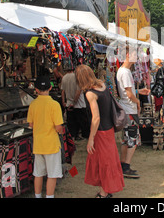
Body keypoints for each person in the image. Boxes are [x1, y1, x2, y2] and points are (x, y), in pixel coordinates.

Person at [75, 65, 125, 198]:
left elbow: (96, 118)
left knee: (103, 163)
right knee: (108, 161)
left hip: (101, 132)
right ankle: (106, 190)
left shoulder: (90, 94)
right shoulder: (102, 85)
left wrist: (91, 138)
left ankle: (103, 193)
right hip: (109, 129)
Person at [27, 75, 64, 198]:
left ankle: (37, 196)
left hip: (38, 144)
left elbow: (31, 124)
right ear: (50, 88)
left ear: (36, 89)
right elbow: (58, 127)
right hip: (52, 144)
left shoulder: (33, 104)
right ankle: (49, 196)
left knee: (38, 173)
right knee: (52, 174)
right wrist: (62, 132)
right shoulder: (54, 105)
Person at [116, 46, 150, 179]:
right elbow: (128, 94)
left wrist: (137, 92)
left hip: (126, 108)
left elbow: (126, 92)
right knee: (133, 139)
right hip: (129, 109)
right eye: (135, 54)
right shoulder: (125, 72)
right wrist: (138, 101)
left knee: (127, 139)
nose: (137, 57)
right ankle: (126, 166)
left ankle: (123, 165)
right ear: (128, 54)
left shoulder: (122, 71)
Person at [61, 67, 89, 140]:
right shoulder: (77, 77)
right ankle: (83, 137)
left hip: (68, 104)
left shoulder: (64, 78)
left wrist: (64, 102)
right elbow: (78, 91)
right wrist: (74, 102)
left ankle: (73, 137)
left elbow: (62, 91)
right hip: (79, 105)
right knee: (83, 123)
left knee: (71, 124)